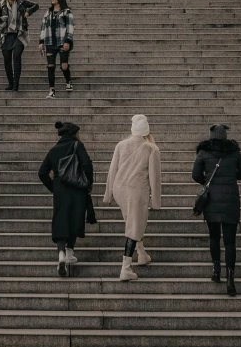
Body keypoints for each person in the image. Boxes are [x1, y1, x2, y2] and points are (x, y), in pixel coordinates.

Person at [192, 124, 241, 297]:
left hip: (211, 200)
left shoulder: (203, 153)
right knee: (230, 242)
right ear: (225, 136)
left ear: (211, 136)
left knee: (214, 237)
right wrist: (232, 176)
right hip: (231, 201)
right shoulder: (234, 153)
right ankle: (230, 279)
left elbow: (195, 175)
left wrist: (207, 181)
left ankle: (216, 270)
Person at [103, 114, 161, 281]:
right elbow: (154, 177)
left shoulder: (121, 145)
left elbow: (112, 169)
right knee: (134, 226)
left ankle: (141, 252)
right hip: (137, 189)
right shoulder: (151, 148)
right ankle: (126, 267)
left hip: (120, 188)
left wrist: (109, 193)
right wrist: (155, 200)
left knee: (132, 222)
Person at [38, 121, 93, 277]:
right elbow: (87, 164)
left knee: (61, 218)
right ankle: (70, 252)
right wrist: (88, 183)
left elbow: (42, 173)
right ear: (74, 133)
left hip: (60, 190)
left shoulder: (53, 150)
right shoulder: (77, 145)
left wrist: (53, 187)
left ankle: (61, 253)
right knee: (75, 217)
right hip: (77, 188)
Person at [0, 0, 38, 93]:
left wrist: (28, 12)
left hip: (19, 34)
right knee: (7, 60)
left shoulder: (21, 2)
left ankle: (16, 84)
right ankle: (10, 82)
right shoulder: (2, 5)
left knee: (16, 57)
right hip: (6, 34)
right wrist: (1, 19)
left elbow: (36, 5)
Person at [39, 0, 75, 99]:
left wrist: (68, 41)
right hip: (50, 42)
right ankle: (52, 90)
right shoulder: (48, 12)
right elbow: (43, 28)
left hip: (62, 42)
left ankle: (68, 81)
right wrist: (41, 42)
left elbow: (70, 28)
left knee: (64, 66)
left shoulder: (66, 12)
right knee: (51, 66)